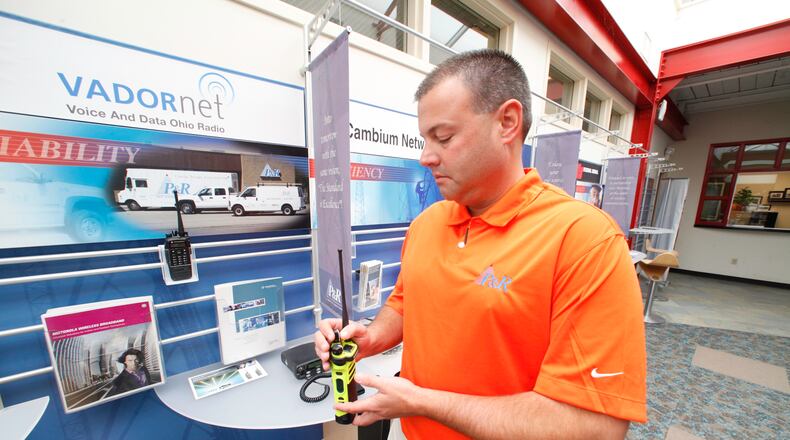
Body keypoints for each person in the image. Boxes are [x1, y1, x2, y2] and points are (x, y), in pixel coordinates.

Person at [315, 49, 646, 439]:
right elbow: (406, 303)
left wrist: (422, 401)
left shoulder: (583, 239)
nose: (425, 157)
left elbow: (595, 427)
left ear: (507, 122)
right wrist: (372, 337)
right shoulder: (427, 224)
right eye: (425, 139)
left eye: (443, 137)